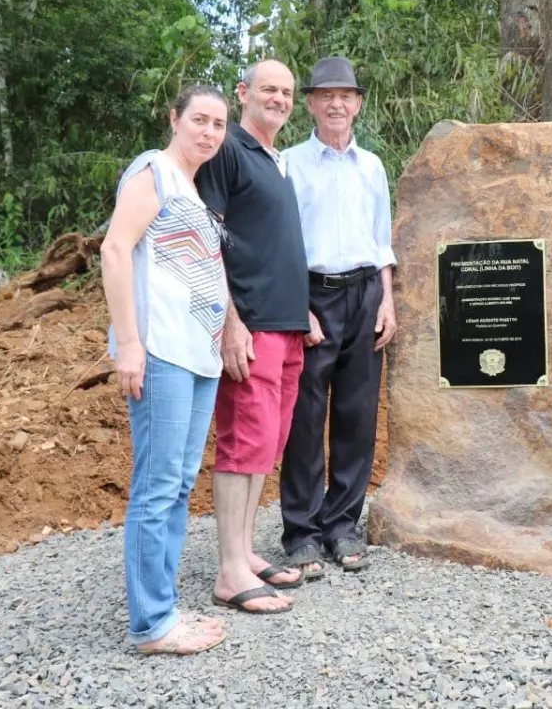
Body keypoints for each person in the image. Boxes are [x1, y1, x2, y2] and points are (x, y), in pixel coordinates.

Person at [101, 84, 231, 654]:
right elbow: (114, 249)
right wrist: (130, 344)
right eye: (199, 119)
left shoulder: (192, 190)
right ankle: (151, 624)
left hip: (198, 356)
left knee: (177, 485)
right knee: (156, 487)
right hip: (162, 352)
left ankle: (164, 609)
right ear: (174, 119)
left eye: (219, 125)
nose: (208, 132)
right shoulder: (153, 171)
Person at [195, 60, 309, 614]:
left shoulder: (273, 160)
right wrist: (230, 321)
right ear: (244, 93)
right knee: (242, 444)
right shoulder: (228, 152)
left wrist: (302, 310)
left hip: (287, 327)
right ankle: (228, 571)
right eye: (269, 88)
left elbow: (271, 243)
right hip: (252, 326)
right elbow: (209, 241)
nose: (279, 99)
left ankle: (244, 552)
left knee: (266, 444)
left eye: (287, 92)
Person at [280, 56, 397, 576]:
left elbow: (382, 242)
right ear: (309, 103)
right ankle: (302, 531)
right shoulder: (289, 164)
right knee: (305, 418)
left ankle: (343, 526)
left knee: (358, 415)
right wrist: (297, 306)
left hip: (365, 294)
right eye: (325, 95)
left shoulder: (371, 166)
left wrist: (386, 300)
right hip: (310, 296)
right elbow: (281, 246)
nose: (335, 104)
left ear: (358, 103)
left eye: (345, 96)